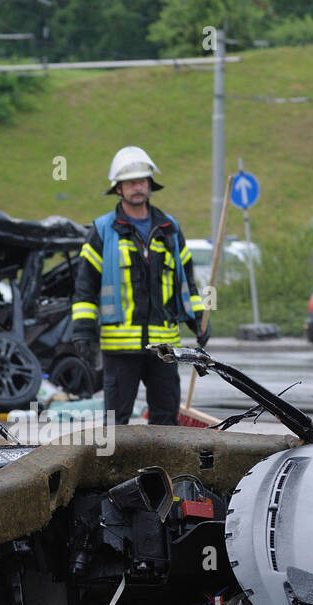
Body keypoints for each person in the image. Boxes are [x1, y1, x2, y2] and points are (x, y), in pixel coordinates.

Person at [71, 146, 208, 426]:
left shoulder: (170, 228)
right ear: (118, 188)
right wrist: (83, 330)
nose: (138, 187)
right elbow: (85, 288)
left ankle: (162, 471)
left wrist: (199, 319)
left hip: (165, 347)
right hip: (120, 348)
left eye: (142, 181)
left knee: (166, 421)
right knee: (117, 424)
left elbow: (187, 283)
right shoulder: (102, 231)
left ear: (150, 185)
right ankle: (116, 471)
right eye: (131, 182)